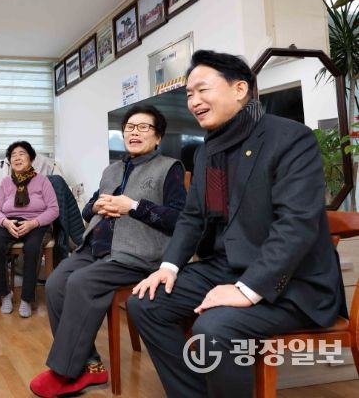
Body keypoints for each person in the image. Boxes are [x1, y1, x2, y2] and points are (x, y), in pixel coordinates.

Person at [129, 50, 346, 398]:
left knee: (214, 328)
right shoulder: (207, 151)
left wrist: (247, 289)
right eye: (189, 94)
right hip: (225, 267)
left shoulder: (290, 138)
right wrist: (168, 267)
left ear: (240, 89)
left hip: (291, 280)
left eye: (203, 90)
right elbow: (194, 217)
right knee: (145, 303)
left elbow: (295, 225)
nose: (194, 101)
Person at [29, 105, 186, 397]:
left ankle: (64, 372)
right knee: (55, 284)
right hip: (95, 248)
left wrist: (134, 207)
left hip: (135, 255)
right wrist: (96, 207)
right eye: (129, 128)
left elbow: (180, 219)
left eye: (143, 127)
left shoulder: (169, 168)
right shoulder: (111, 170)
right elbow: (88, 209)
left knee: (80, 283)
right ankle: (90, 365)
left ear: (158, 137)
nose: (134, 132)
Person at [0, 140, 59, 318]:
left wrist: (34, 223)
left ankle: (27, 298)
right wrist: (5, 222)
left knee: (32, 248)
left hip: (37, 223)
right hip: (10, 223)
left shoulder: (42, 181)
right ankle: (5, 294)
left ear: (31, 159)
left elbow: (53, 209)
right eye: (13, 155)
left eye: (22, 154)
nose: (17, 158)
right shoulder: (5, 182)